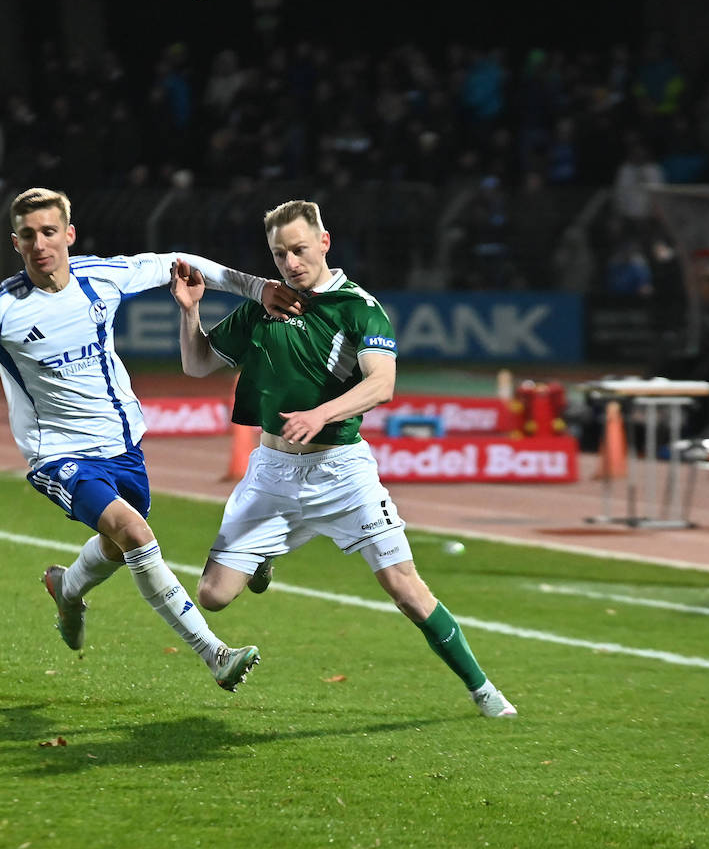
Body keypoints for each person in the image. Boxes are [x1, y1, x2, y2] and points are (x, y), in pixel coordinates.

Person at [0, 186, 303, 692]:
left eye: (49, 232)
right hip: (58, 455)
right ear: (15, 242)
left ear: (69, 235)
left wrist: (257, 288)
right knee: (135, 534)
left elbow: (180, 263)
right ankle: (215, 654)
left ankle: (67, 588)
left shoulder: (103, 278)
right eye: (28, 235)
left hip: (123, 446)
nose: (39, 244)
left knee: (118, 546)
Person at [169, 199, 517, 718]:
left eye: (299, 249)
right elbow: (197, 365)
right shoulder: (265, 303)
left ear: (324, 242)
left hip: (340, 474)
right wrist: (190, 310)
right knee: (214, 595)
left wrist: (320, 413)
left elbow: (383, 383)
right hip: (272, 474)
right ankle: (265, 556)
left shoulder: (359, 308)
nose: (291, 262)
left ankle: (484, 691)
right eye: (279, 253)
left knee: (405, 589)